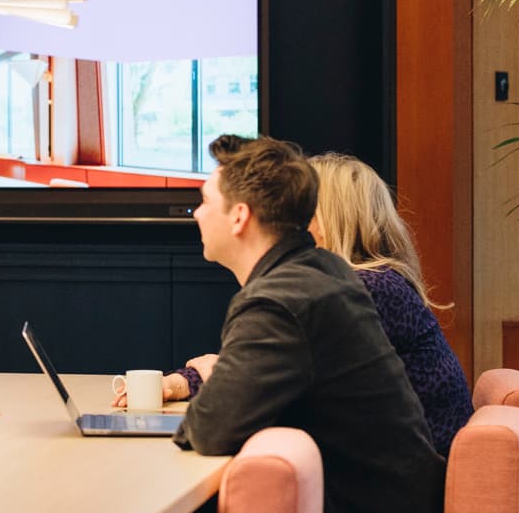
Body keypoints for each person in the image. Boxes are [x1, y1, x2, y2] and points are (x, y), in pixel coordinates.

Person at [174, 135, 446, 513]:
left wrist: (205, 390)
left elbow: (211, 429)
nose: (195, 214)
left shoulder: (280, 299)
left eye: (204, 201)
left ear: (239, 217)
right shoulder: (322, 272)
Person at [145, 148, 473, 455]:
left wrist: (216, 376)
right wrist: (185, 381)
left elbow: (263, 393)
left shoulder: (362, 290)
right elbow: (268, 371)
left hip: (392, 497)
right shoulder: (363, 283)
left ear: (326, 220)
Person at [308, 151, 472, 454]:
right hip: (408, 468)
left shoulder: (367, 289)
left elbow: (283, 375)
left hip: (405, 484)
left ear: (331, 216)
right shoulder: (379, 280)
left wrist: (203, 377)